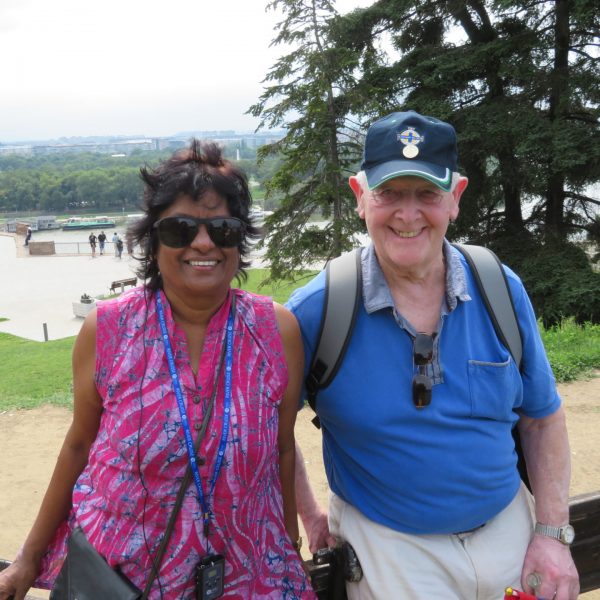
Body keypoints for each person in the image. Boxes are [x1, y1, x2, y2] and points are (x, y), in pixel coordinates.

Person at [0, 140, 315, 599]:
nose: (203, 243)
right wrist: (28, 558)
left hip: (250, 573)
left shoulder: (275, 330)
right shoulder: (108, 329)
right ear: (153, 239)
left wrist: (289, 547)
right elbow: (80, 444)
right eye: (180, 229)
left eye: (222, 229)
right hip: (123, 577)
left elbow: (283, 450)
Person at [288, 111, 579, 600]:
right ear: (360, 198)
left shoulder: (499, 289)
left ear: (456, 198)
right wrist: (311, 516)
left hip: (509, 532)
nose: (407, 214)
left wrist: (551, 536)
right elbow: (269, 434)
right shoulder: (317, 311)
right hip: (390, 550)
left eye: (426, 193)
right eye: (389, 194)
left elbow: (541, 420)